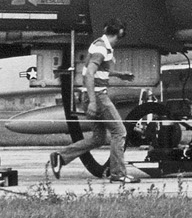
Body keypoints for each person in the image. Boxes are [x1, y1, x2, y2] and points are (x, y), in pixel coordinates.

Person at [50, 19, 139, 182]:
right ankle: (118, 174)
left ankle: (60, 157)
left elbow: (98, 71)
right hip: (98, 96)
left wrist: (119, 74)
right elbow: (89, 73)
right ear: (120, 32)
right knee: (120, 132)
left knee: (98, 138)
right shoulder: (102, 48)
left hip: (92, 95)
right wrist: (92, 101)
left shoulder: (102, 45)